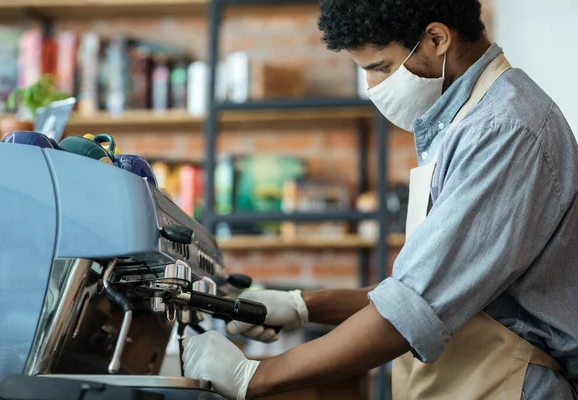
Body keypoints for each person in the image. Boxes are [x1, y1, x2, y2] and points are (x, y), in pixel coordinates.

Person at [183, 0, 578, 399]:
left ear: (437, 39)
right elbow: (426, 285)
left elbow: (411, 310)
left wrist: (253, 377)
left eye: (381, 68)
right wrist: (302, 305)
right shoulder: (466, 122)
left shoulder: (503, 130)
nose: (373, 87)